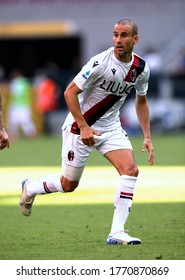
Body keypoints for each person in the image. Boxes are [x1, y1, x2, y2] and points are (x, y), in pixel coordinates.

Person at [19, 19, 154, 245]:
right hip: (79, 126)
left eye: (123, 35)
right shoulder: (100, 62)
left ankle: (117, 232)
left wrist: (147, 135)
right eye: (115, 35)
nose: (118, 40)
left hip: (111, 128)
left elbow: (141, 102)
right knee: (68, 185)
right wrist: (83, 126)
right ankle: (30, 187)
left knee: (130, 170)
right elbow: (69, 93)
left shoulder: (141, 69)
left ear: (135, 40)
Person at [7, 70, 37, 141]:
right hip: (25, 105)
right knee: (27, 122)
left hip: (15, 105)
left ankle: (12, 138)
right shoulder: (26, 83)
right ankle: (32, 138)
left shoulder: (14, 83)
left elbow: (14, 94)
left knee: (12, 123)